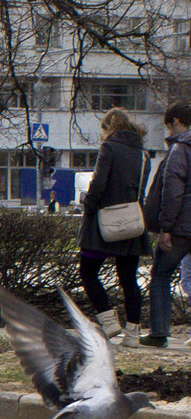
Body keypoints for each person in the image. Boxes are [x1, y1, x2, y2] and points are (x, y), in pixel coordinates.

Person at [77, 107, 151, 349]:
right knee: (129, 279)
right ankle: (133, 334)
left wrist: (89, 205)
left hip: (104, 222)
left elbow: (99, 182)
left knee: (88, 271)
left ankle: (108, 321)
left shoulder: (108, 148)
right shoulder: (143, 155)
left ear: (109, 128)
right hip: (131, 223)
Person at [139, 102, 191, 348]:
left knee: (160, 274)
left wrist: (165, 228)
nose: (168, 133)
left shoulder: (180, 149)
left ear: (177, 122)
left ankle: (158, 333)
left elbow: (172, 192)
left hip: (181, 228)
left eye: (169, 126)